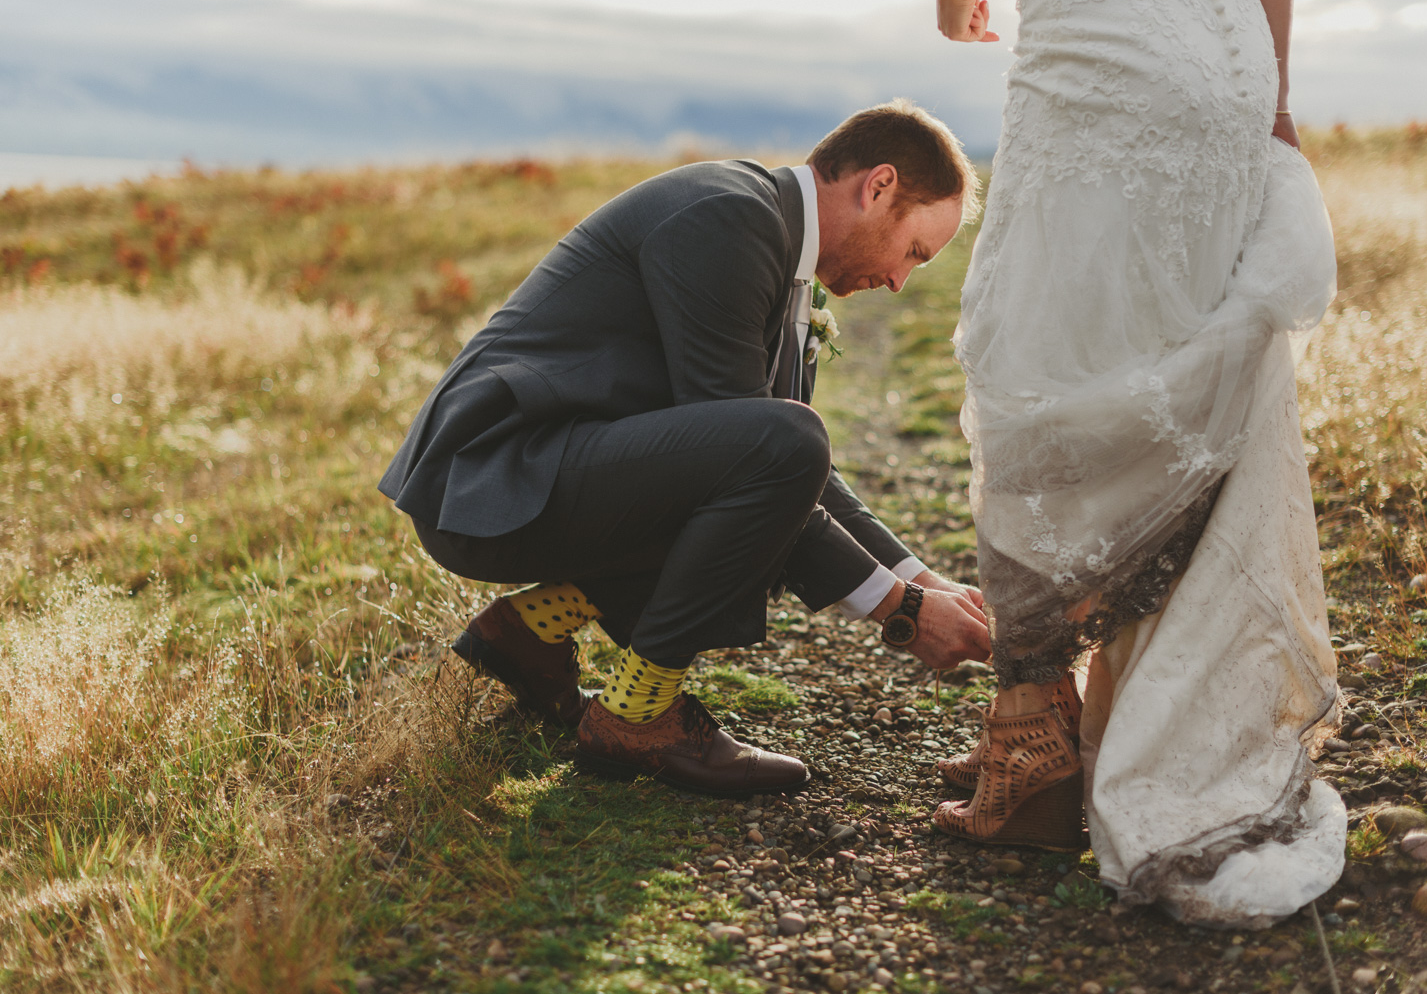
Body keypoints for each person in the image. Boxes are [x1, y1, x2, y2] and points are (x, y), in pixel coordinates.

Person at [379, 101, 994, 800]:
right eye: (913, 251)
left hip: (547, 467)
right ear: (878, 187)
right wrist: (901, 612)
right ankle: (638, 716)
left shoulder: (771, 239)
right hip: (497, 473)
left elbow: (787, 473)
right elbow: (767, 455)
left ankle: (528, 631)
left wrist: (922, 579)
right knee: (774, 467)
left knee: (774, 486)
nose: (899, 280)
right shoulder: (727, 217)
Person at [933, 0, 1347, 927]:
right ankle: (1112, 729)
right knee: (1169, 381)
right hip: (1230, 75)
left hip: (1104, 60)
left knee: (1036, 365)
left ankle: (1032, 737)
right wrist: (1275, 104)